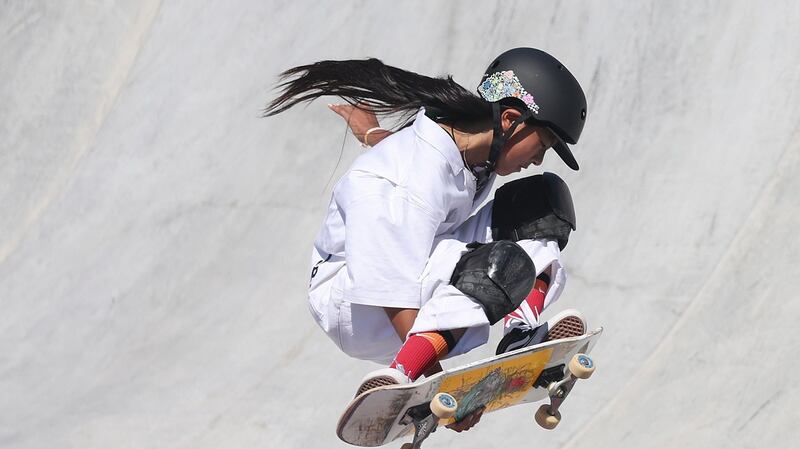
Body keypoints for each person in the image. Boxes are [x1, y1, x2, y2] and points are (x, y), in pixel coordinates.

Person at [265, 48, 588, 431]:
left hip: (410, 259)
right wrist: (438, 388)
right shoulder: (406, 181)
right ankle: (401, 371)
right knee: (496, 267)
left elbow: (418, 166)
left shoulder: (466, 144)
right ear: (510, 120)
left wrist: (371, 134)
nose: (538, 159)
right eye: (544, 145)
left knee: (541, 204)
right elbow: (390, 284)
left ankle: (519, 335)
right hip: (355, 302)